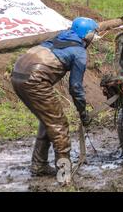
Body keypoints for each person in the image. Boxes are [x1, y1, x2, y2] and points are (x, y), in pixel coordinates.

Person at [11, 17, 98, 176]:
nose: (93, 38)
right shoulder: (79, 52)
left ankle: (39, 165)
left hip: (17, 74)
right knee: (59, 125)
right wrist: (83, 112)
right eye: (93, 34)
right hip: (34, 80)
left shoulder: (60, 37)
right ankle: (64, 174)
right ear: (87, 35)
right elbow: (76, 87)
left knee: (48, 120)